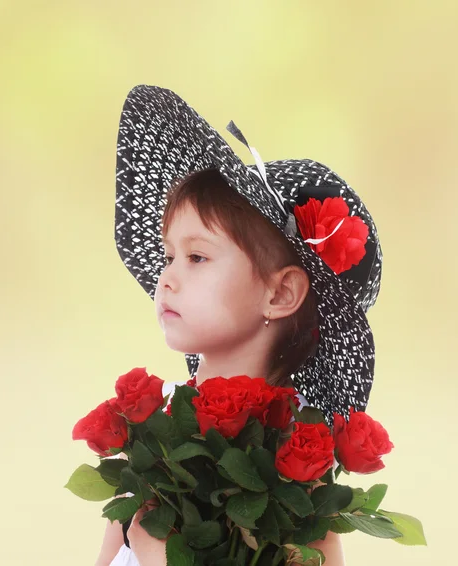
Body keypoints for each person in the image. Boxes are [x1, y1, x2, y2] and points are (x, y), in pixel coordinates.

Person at [96, 85, 382, 565]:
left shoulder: (297, 452)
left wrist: (156, 549)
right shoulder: (153, 424)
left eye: (197, 256)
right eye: (169, 256)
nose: (166, 278)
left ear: (279, 293)